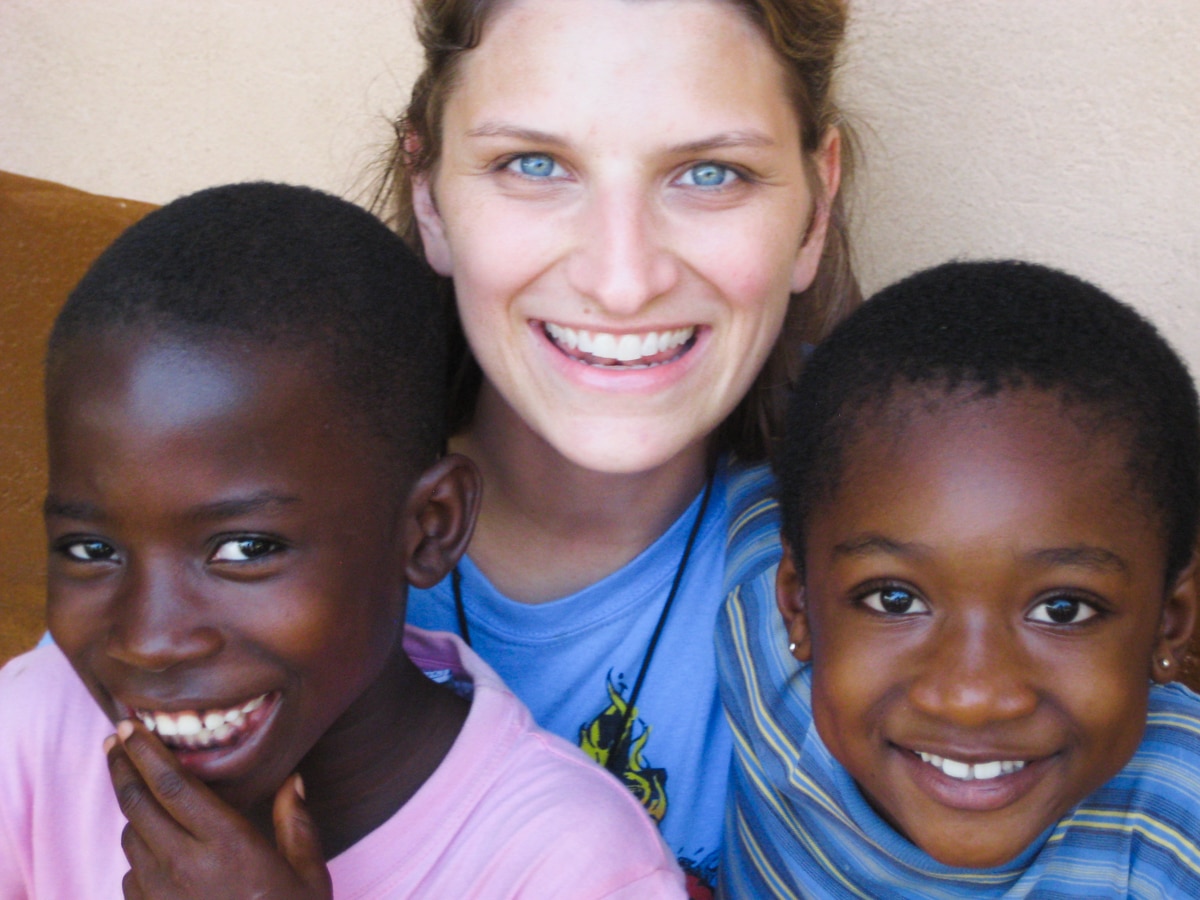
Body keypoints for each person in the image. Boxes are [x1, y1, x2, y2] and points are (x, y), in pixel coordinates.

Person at [0, 182, 686, 899]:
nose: (147, 638)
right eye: (91, 550)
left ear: (430, 527)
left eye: (244, 549)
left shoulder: (570, 865)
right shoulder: (39, 730)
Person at [376, 1, 859, 890]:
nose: (623, 279)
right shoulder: (242, 560)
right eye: (533, 164)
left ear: (815, 207)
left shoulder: (899, 609)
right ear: (429, 195)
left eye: (711, 173)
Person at [718, 259, 1200, 898]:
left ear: (1170, 624)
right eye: (894, 599)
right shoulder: (756, 641)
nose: (972, 696)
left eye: (1063, 610)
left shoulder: (1175, 818)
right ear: (797, 606)